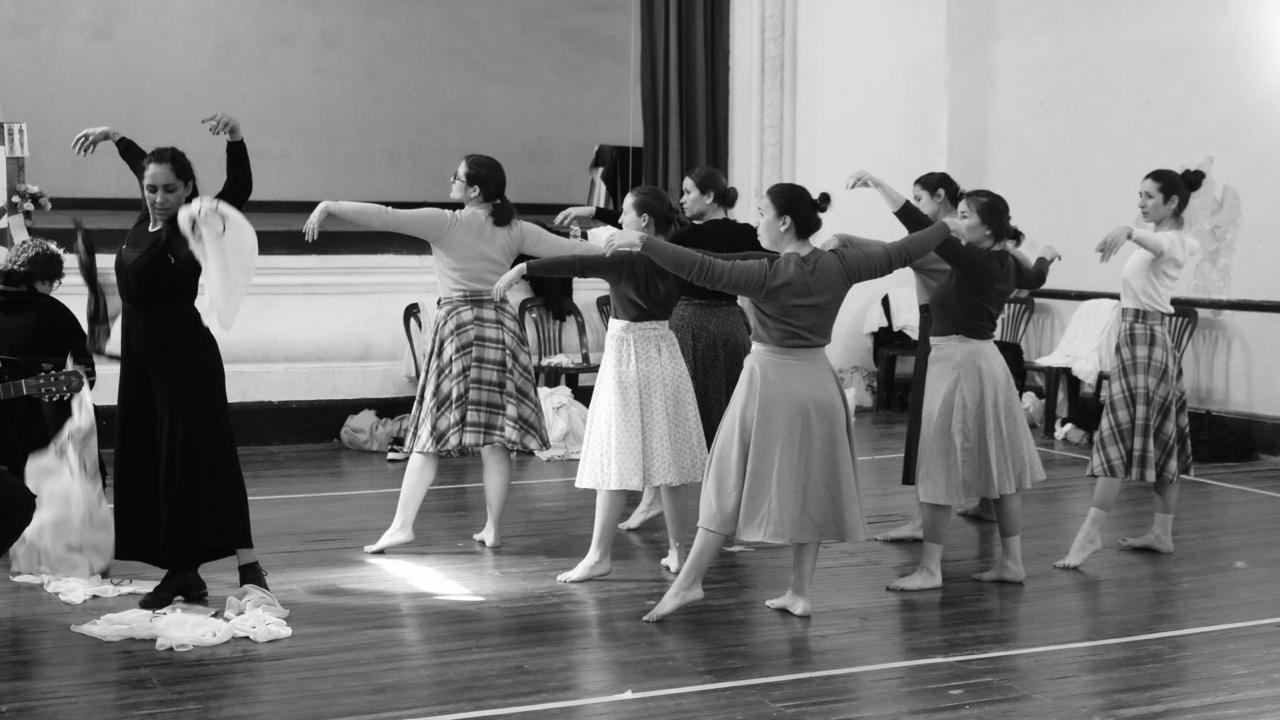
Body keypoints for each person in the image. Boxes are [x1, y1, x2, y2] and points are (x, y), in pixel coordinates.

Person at [607, 183, 957, 622]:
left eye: (761, 213)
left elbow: (702, 269)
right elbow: (903, 251)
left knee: (724, 482)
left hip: (769, 384)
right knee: (808, 487)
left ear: (784, 222)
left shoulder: (767, 273)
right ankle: (799, 591)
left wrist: (643, 241)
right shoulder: (840, 264)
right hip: (817, 386)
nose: (757, 222)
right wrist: (945, 225)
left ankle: (690, 582)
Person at [303, 154, 603, 551]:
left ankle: (402, 525)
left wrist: (331, 207)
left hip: (459, 329)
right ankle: (493, 529)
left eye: (456, 177)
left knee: (429, 431)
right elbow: (568, 251)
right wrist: (625, 244)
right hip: (499, 327)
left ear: (474, 190)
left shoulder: (448, 223)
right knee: (495, 438)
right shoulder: (512, 229)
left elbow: (387, 216)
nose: (451, 180)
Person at [71, 113, 267, 608]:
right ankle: (183, 573)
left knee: (201, 460)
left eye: (169, 190)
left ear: (187, 190)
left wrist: (236, 138)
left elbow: (238, 189)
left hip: (185, 359)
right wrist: (115, 136)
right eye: (151, 189)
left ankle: (248, 566)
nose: (158, 197)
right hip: (142, 361)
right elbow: (142, 164)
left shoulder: (191, 225)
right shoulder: (145, 219)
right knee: (154, 463)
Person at [494, 186, 707, 580]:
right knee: (670, 463)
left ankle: (599, 556)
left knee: (614, 454)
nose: (619, 221)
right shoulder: (678, 258)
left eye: (625, 214)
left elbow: (575, 263)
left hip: (628, 359)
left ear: (643, 221)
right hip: (665, 354)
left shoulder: (625, 262)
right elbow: (734, 262)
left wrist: (523, 269)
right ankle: (678, 553)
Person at [556, 166, 765, 531]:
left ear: (710, 197)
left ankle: (666, 504)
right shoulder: (747, 232)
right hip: (732, 326)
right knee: (724, 419)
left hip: (690, 325)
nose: (682, 201)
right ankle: (728, 510)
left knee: (673, 423)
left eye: (688, 192)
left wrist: (595, 216)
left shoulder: (682, 241)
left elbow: (647, 229)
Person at [888, 190, 1059, 591]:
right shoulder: (1005, 262)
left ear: (988, 228)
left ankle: (931, 569)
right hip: (981, 362)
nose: (957, 221)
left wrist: (881, 186)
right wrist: (1046, 254)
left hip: (960, 363)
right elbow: (1036, 275)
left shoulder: (977, 261)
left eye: (965, 216)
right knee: (999, 470)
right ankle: (1011, 562)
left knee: (938, 464)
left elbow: (920, 224)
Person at [1054, 169, 1203, 570]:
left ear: (1172, 202)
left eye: (1149, 196)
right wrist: (1131, 233)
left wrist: (1128, 230)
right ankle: (1161, 533)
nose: (1140, 203)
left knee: (1117, 436)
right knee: (1151, 435)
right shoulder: (1155, 241)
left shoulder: (1174, 242)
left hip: (1147, 344)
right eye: (1138, 195)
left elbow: (1157, 242)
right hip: (1138, 341)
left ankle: (1090, 535)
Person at [0, 238, 96, 481]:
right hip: (33, 437)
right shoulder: (52, 311)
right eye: (53, 283)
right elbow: (87, 374)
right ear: (42, 280)